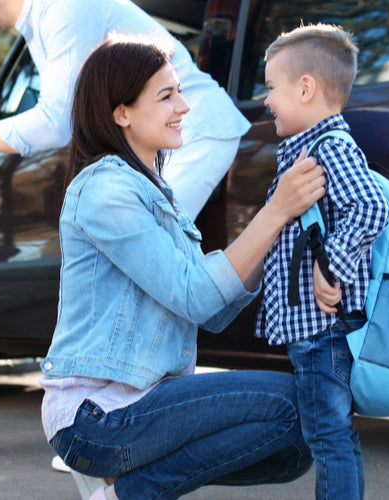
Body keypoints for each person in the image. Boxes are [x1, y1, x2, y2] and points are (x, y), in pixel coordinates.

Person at [40, 35, 325, 500]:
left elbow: (210, 311)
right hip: (98, 414)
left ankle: (135, 488)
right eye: (167, 95)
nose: (184, 107)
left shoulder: (154, 191)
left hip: (141, 400)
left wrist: (282, 230)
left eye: (180, 91)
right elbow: (196, 294)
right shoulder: (105, 190)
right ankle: (127, 494)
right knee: (295, 404)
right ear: (121, 112)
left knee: (295, 450)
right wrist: (275, 211)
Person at [0, 0, 250, 219]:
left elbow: (55, 123)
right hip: (162, 145)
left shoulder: (63, 9)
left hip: (194, 134)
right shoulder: (43, 19)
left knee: (149, 265)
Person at [255, 24, 389, 499]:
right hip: (316, 329)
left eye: (272, 87)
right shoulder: (311, 149)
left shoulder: (330, 148)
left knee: (329, 437)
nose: (266, 99)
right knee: (331, 435)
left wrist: (328, 264)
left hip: (322, 330)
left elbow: (371, 206)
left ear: (306, 88)